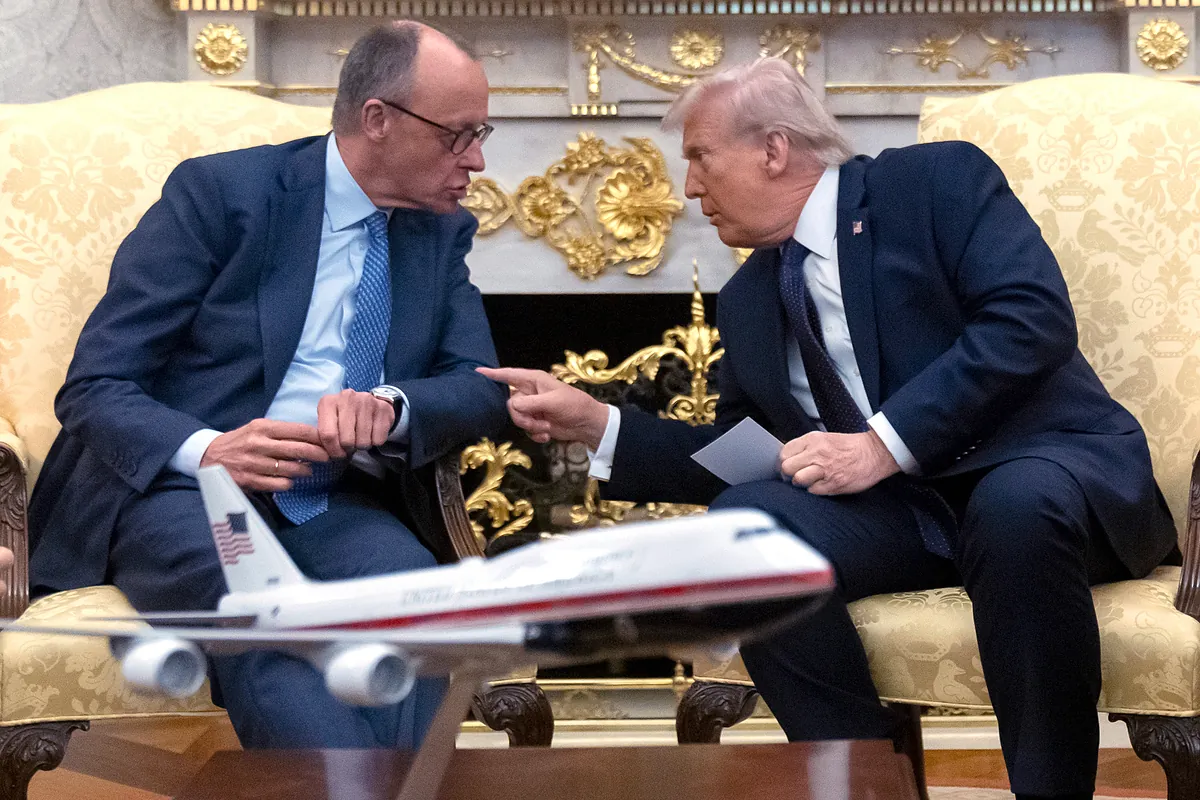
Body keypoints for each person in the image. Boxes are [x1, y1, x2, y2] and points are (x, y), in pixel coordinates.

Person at [481, 58, 1176, 800]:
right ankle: (863, 783)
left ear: (773, 149)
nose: (688, 189)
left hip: (1039, 475)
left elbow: (1028, 321)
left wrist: (881, 445)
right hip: (906, 520)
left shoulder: (932, 183)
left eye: (700, 157)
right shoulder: (750, 297)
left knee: (1014, 507)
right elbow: (745, 456)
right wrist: (599, 424)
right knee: (746, 528)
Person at [26, 22, 508, 749]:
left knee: (410, 604)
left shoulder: (438, 233)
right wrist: (210, 450)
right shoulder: (223, 196)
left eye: (481, 133)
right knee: (261, 616)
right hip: (185, 496)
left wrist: (392, 407)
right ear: (378, 119)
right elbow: (95, 384)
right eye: (457, 135)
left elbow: (480, 386)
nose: (476, 158)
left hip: (333, 499)